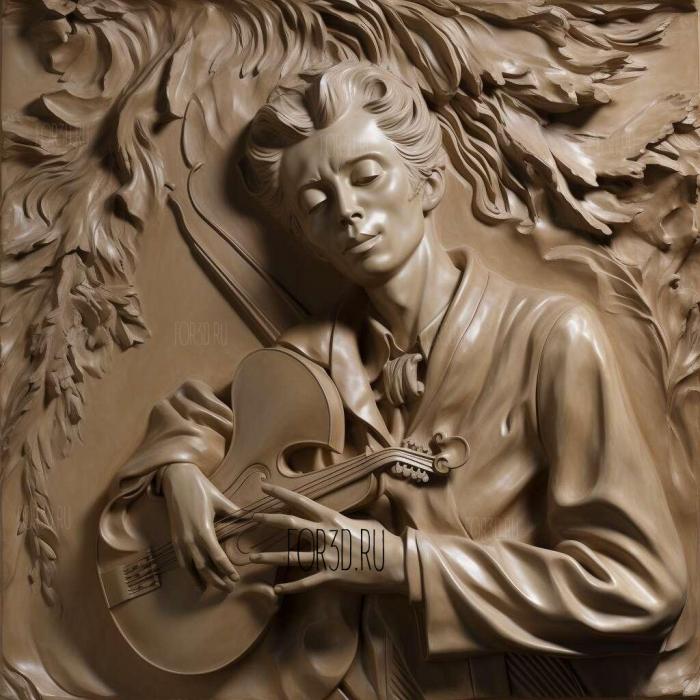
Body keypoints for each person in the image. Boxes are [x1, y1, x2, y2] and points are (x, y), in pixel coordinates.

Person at [99, 62, 687, 698]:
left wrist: (410, 567)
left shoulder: (550, 338)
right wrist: (179, 474)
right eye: (316, 203)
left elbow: (642, 587)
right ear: (306, 237)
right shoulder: (314, 359)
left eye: (366, 176)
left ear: (426, 179)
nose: (348, 211)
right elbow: (201, 423)